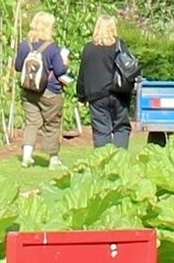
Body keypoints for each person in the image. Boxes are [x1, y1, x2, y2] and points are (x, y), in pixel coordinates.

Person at [12, 10, 73, 162]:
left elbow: (18, 67)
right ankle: (53, 159)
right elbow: (59, 71)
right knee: (52, 123)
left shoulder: (24, 45)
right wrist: (65, 62)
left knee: (31, 123)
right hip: (50, 91)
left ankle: (26, 157)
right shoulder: (52, 47)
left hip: (28, 90)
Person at [74, 13, 138, 150]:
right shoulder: (119, 46)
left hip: (97, 96)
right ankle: (120, 162)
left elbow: (83, 74)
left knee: (101, 130)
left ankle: (103, 163)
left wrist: (81, 96)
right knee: (121, 128)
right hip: (119, 94)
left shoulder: (89, 48)